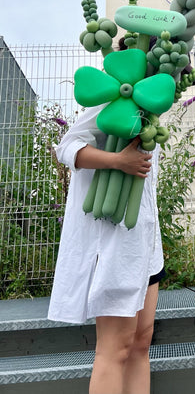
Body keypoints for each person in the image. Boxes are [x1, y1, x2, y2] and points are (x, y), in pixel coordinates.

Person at [47, 98, 165, 394]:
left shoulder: (150, 111)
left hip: (145, 248)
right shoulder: (116, 102)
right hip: (114, 248)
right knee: (115, 348)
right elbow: (68, 147)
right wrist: (117, 162)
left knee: (140, 342)